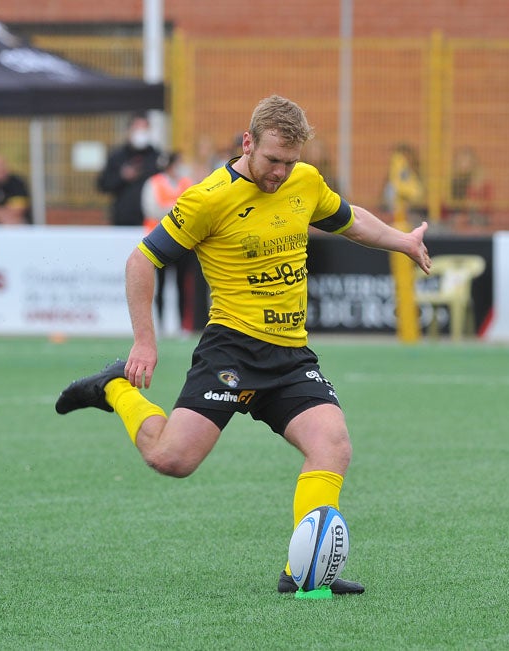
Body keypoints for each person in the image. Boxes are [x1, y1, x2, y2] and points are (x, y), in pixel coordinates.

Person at [55, 95, 432, 595]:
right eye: (273, 159)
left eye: (290, 162)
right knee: (172, 461)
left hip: (291, 356)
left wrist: (402, 240)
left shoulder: (304, 180)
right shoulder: (207, 198)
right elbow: (141, 262)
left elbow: (347, 217)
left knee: (332, 445)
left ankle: (305, 571)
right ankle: (113, 389)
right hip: (231, 352)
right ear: (248, 142)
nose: (280, 172)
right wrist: (143, 342)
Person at [140, 151, 197, 334]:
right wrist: (177, 210)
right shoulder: (154, 183)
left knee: (182, 285)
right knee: (160, 286)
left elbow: (195, 207)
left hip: (183, 241)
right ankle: (162, 326)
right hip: (159, 240)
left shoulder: (186, 182)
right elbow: (151, 209)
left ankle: (182, 326)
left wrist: (170, 210)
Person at [97, 112, 162, 226]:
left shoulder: (157, 157)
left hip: (152, 221)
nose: (141, 131)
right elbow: (103, 185)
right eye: (137, 127)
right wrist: (122, 177)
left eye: (144, 127)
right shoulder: (117, 156)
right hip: (123, 221)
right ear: (129, 129)